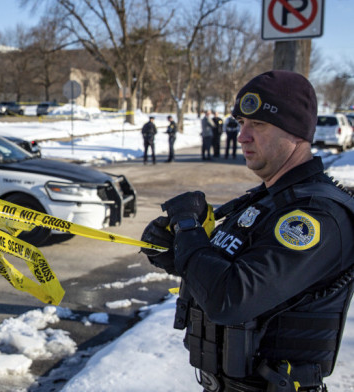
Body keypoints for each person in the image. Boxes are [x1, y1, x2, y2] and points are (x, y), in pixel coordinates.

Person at [140, 70, 354, 392]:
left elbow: (231, 297)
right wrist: (177, 246)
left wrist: (187, 228)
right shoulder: (268, 200)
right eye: (241, 123)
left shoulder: (316, 217)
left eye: (259, 124)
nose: (242, 136)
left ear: (296, 132)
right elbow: (223, 266)